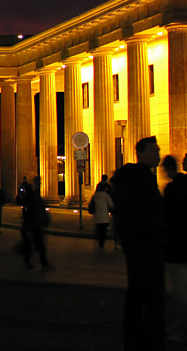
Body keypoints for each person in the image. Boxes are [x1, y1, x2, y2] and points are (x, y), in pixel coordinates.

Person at [111, 136, 165, 351]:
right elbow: (148, 214)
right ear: (140, 153)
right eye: (152, 150)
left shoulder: (131, 178)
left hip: (135, 244)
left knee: (136, 294)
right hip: (145, 245)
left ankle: (135, 339)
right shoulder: (142, 179)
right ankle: (151, 341)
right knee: (152, 296)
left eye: (157, 150)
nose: (157, 154)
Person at [163, 153, 187, 344]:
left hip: (179, 248)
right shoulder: (179, 184)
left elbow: (168, 218)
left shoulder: (175, 188)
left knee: (180, 291)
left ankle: (183, 328)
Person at [20, 176, 53, 271]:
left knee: (34, 245)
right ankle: (42, 264)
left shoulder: (34, 195)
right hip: (33, 224)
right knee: (37, 245)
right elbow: (33, 210)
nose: (41, 183)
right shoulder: (33, 195)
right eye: (39, 182)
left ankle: (35, 262)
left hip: (33, 224)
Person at [89, 180, 115, 248]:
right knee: (103, 231)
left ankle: (99, 241)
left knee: (99, 229)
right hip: (104, 217)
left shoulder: (95, 196)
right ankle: (102, 243)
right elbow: (111, 204)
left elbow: (91, 205)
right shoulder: (106, 195)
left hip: (97, 217)